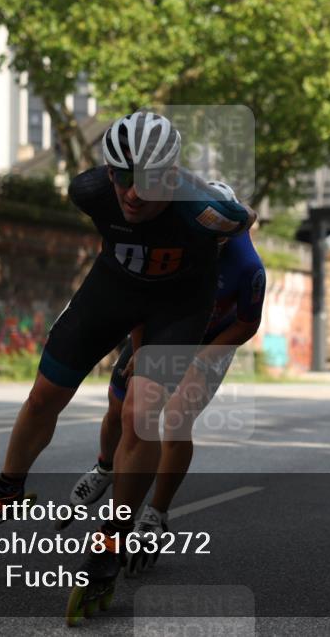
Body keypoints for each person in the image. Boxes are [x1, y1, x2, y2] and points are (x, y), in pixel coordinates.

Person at [0, 112, 256, 601]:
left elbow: (244, 218)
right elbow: (113, 205)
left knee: (141, 414)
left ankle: (113, 537)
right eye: (121, 176)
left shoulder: (204, 211)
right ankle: (4, 492)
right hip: (114, 289)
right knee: (43, 396)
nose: (132, 192)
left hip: (178, 306)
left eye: (148, 180)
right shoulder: (89, 191)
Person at [64, 181, 266, 575]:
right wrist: (143, 353)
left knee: (174, 421)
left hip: (211, 340)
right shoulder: (178, 236)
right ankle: (105, 466)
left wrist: (198, 362)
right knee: (121, 408)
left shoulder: (247, 266)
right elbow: (143, 301)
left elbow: (246, 324)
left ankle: (155, 513)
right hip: (163, 327)